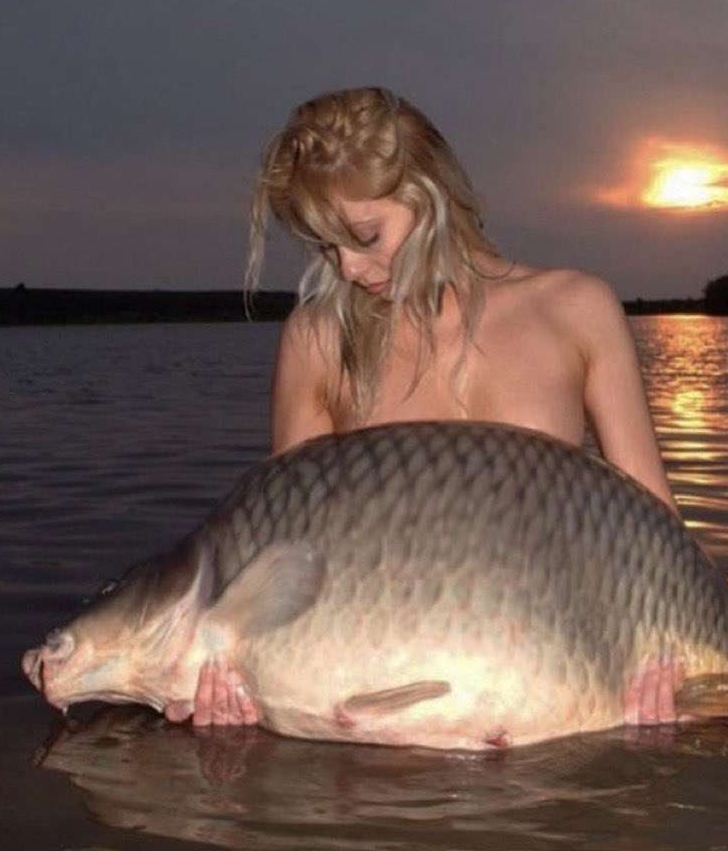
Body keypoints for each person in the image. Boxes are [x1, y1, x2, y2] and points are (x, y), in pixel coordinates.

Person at [164, 87, 682, 731]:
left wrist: (666, 662)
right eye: (326, 249)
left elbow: (657, 525)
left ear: (429, 192)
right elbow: (283, 558)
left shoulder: (577, 308)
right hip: (382, 729)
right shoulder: (318, 339)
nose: (350, 268)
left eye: (365, 236)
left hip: (551, 708)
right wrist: (233, 674)